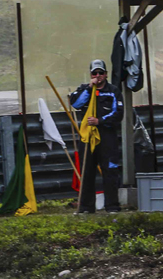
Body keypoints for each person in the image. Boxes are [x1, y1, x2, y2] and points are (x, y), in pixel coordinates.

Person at [69, 59, 124, 213]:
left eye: (101, 73)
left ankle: (112, 206)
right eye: (95, 73)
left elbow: (118, 114)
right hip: (87, 137)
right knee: (86, 171)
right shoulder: (84, 89)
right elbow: (76, 104)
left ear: (106, 74)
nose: (98, 76)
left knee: (110, 171)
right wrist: (89, 88)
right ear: (90, 75)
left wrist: (99, 121)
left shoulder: (113, 91)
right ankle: (86, 207)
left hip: (107, 137)